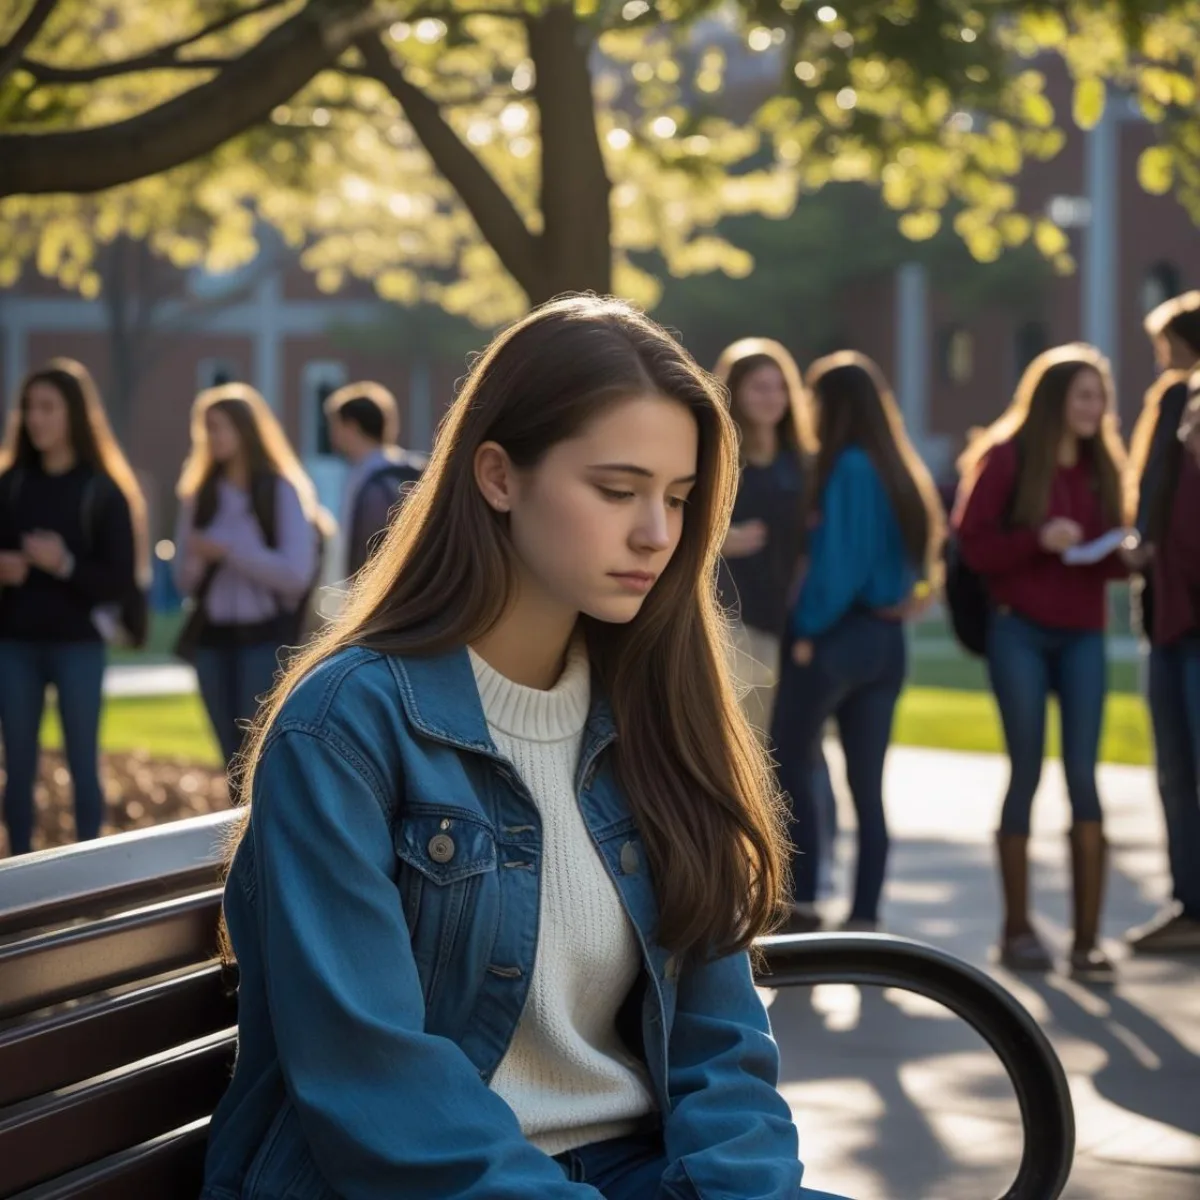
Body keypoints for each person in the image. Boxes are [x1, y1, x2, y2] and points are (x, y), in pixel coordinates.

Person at [200, 296, 849, 1200]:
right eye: (617, 491)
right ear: (498, 477)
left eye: (678, 498)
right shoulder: (346, 727)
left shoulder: (656, 707)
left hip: (637, 1172)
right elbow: (375, 1083)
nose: (657, 535)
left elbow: (721, 1039)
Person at [955, 344, 1132, 981]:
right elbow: (972, 544)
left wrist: (1125, 554)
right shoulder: (1006, 458)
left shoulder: (1101, 465)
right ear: (1055, 399)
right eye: (1085, 396)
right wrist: (1038, 538)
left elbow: (1110, 550)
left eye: (1101, 397)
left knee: (1083, 774)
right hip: (1019, 633)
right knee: (1025, 767)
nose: (1097, 408)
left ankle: (1087, 941)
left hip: (1081, 633)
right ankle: (1018, 929)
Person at [770, 352, 944, 934]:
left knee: (789, 760)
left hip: (838, 636)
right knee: (867, 784)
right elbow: (918, 561)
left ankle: (802, 898)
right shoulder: (898, 467)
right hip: (888, 641)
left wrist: (807, 631)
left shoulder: (846, 468)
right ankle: (866, 913)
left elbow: (835, 570)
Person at [0, 358, 148, 855]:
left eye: (47, 407)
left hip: (78, 647)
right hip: (14, 643)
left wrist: (63, 563)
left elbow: (120, 580)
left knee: (83, 763)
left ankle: (88, 881)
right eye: (29, 407)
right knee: (15, 768)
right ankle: (16, 879)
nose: (34, 418)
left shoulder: (103, 491)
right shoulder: (10, 484)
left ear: (75, 415)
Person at [712, 338, 839, 898]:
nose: (771, 397)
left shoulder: (803, 465)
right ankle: (739, 881)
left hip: (798, 632)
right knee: (743, 755)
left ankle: (798, 884)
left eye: (779, 386)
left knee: (800, 756)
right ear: (734, 391)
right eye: (758, 386)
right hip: (736, 627)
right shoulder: (718, 456)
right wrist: (721, 539)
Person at [173, 383, 330, 768]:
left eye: (222, 426)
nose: (214, 437)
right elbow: (183, 581)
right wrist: (199, 560)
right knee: (229, 758)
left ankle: (264, 827)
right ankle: (239, 828)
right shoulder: (200, 495)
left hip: (263, 639)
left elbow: (296, 574)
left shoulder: (279, 490)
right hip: (211, 639)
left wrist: (230, 551)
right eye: (207, 427)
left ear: (247, 430)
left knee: (261, 757)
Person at [1124, 292, 1200, 953]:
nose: (1162, 358)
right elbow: (1151, 491)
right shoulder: (1172, 401)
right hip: (1166, 615)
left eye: (1168, 341)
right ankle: (1189, 904)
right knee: (1175, 770)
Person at [324, 380, 428, 580]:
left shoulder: (368, 476)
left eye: (335, 426)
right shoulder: (413, 468)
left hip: (376, 591)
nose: (332, 435)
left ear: (351, 426)